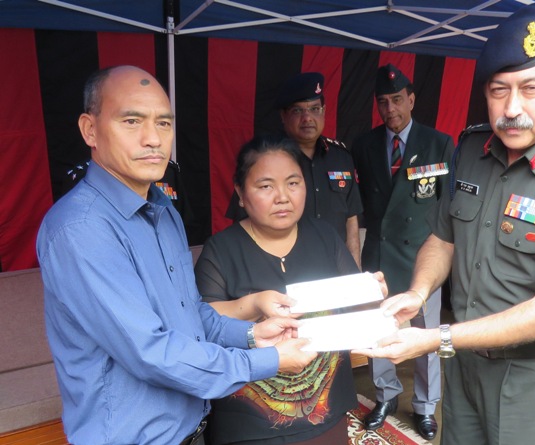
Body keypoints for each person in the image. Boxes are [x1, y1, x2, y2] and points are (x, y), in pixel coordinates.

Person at [354, 2, 535, 445]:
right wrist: (417, 293)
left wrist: (436, 338)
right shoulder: (473, 149)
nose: (512, 108)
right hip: (464, 362)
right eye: (499, 90)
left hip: (532, 377)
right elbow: (442, 237)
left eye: (531, 88)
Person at [36, 65, 317, 445]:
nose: (153, 139)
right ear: (90, 130)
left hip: (191, 428)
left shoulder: (162, 209)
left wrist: (252, 335)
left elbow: (189, 312)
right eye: (132, 121)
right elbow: (151, 352)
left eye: (164, 123)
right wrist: (270, 360)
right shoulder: (81, 229)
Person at [195, 135, 378, 444]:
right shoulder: (221, 250)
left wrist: (370, 291)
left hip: (326, 412)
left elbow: (356, 304)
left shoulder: (325, 237)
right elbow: (201, 320)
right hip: (249, 424)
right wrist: (254, 303)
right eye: (266, 186)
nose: (282, 197)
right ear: (240, 193)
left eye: (293, 183)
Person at [351, 63, 454, 440]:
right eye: (383, 102)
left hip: (422, 259)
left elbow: (447, 205)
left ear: (411, 99)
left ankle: (425, 406)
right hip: (379, 255)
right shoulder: (363, 145)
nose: (390, 108)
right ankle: (386, 396)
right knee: (379, 332)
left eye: (397, 99)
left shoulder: (438, 143)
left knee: (427, 338)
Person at [226, 73, 363, 267]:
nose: (307, 118)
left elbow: (351, 220)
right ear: (283, 116)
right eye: (298, 111)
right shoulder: (264, 160)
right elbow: (242, 224)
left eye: (314, 109)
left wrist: (355, 274)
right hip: (282, 270)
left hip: (335, 270)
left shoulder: (341, 158)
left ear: (324, 111)